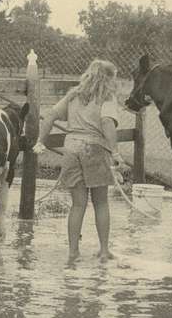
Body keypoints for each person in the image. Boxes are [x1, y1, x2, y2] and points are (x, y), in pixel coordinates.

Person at [36, 58, 125, 264]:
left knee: (77, 205)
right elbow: (107, 123)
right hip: (95, 148)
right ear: (108, 78)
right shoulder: (107, 97)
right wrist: (116, 153)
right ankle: (103, 251)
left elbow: (49, 116)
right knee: (101, 203)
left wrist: (40, 142)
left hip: (72, 148)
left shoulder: (73, 95)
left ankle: (73, 253)